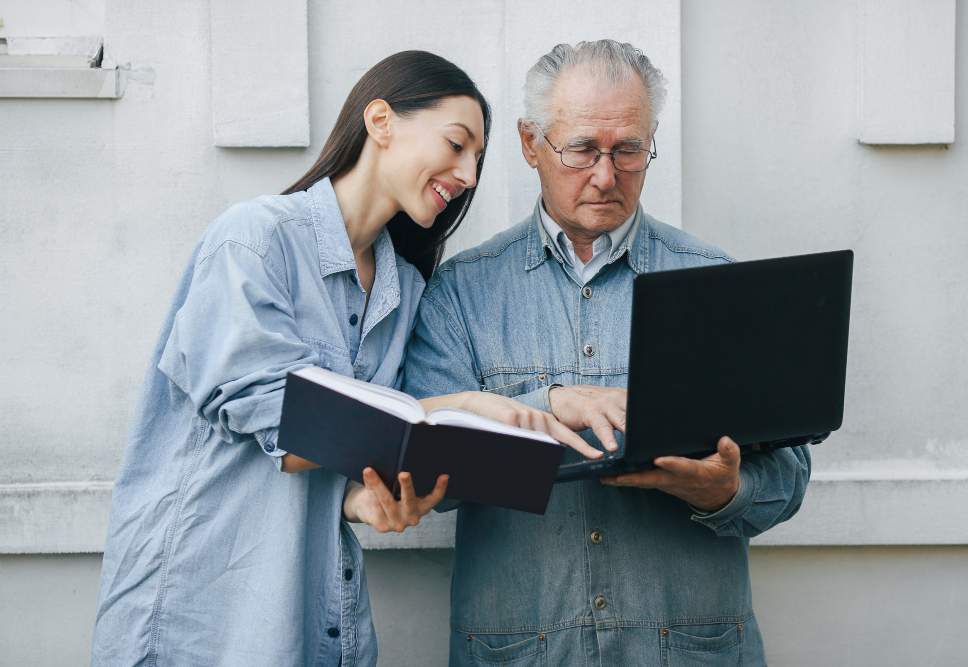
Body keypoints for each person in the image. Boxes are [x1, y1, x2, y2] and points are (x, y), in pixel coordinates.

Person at [91, 50, 595, 667]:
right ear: (380, 121)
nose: (467, 173)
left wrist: (368, 498)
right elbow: (292, 422)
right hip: (205, 614)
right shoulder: (254, 240)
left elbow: (368, 453)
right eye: (457, 144)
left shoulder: (404, 289)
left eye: (477, 160)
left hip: (316, 615)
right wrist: (459, 402)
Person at [403, 41, 811, 666]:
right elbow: (426, 469)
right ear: (529, 142)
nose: (605, 174)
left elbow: (788, 476)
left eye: (628, 150)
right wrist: (545, 409)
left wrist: (723, 491)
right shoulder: (462, 293)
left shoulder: (717, 282)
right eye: (581, 149)